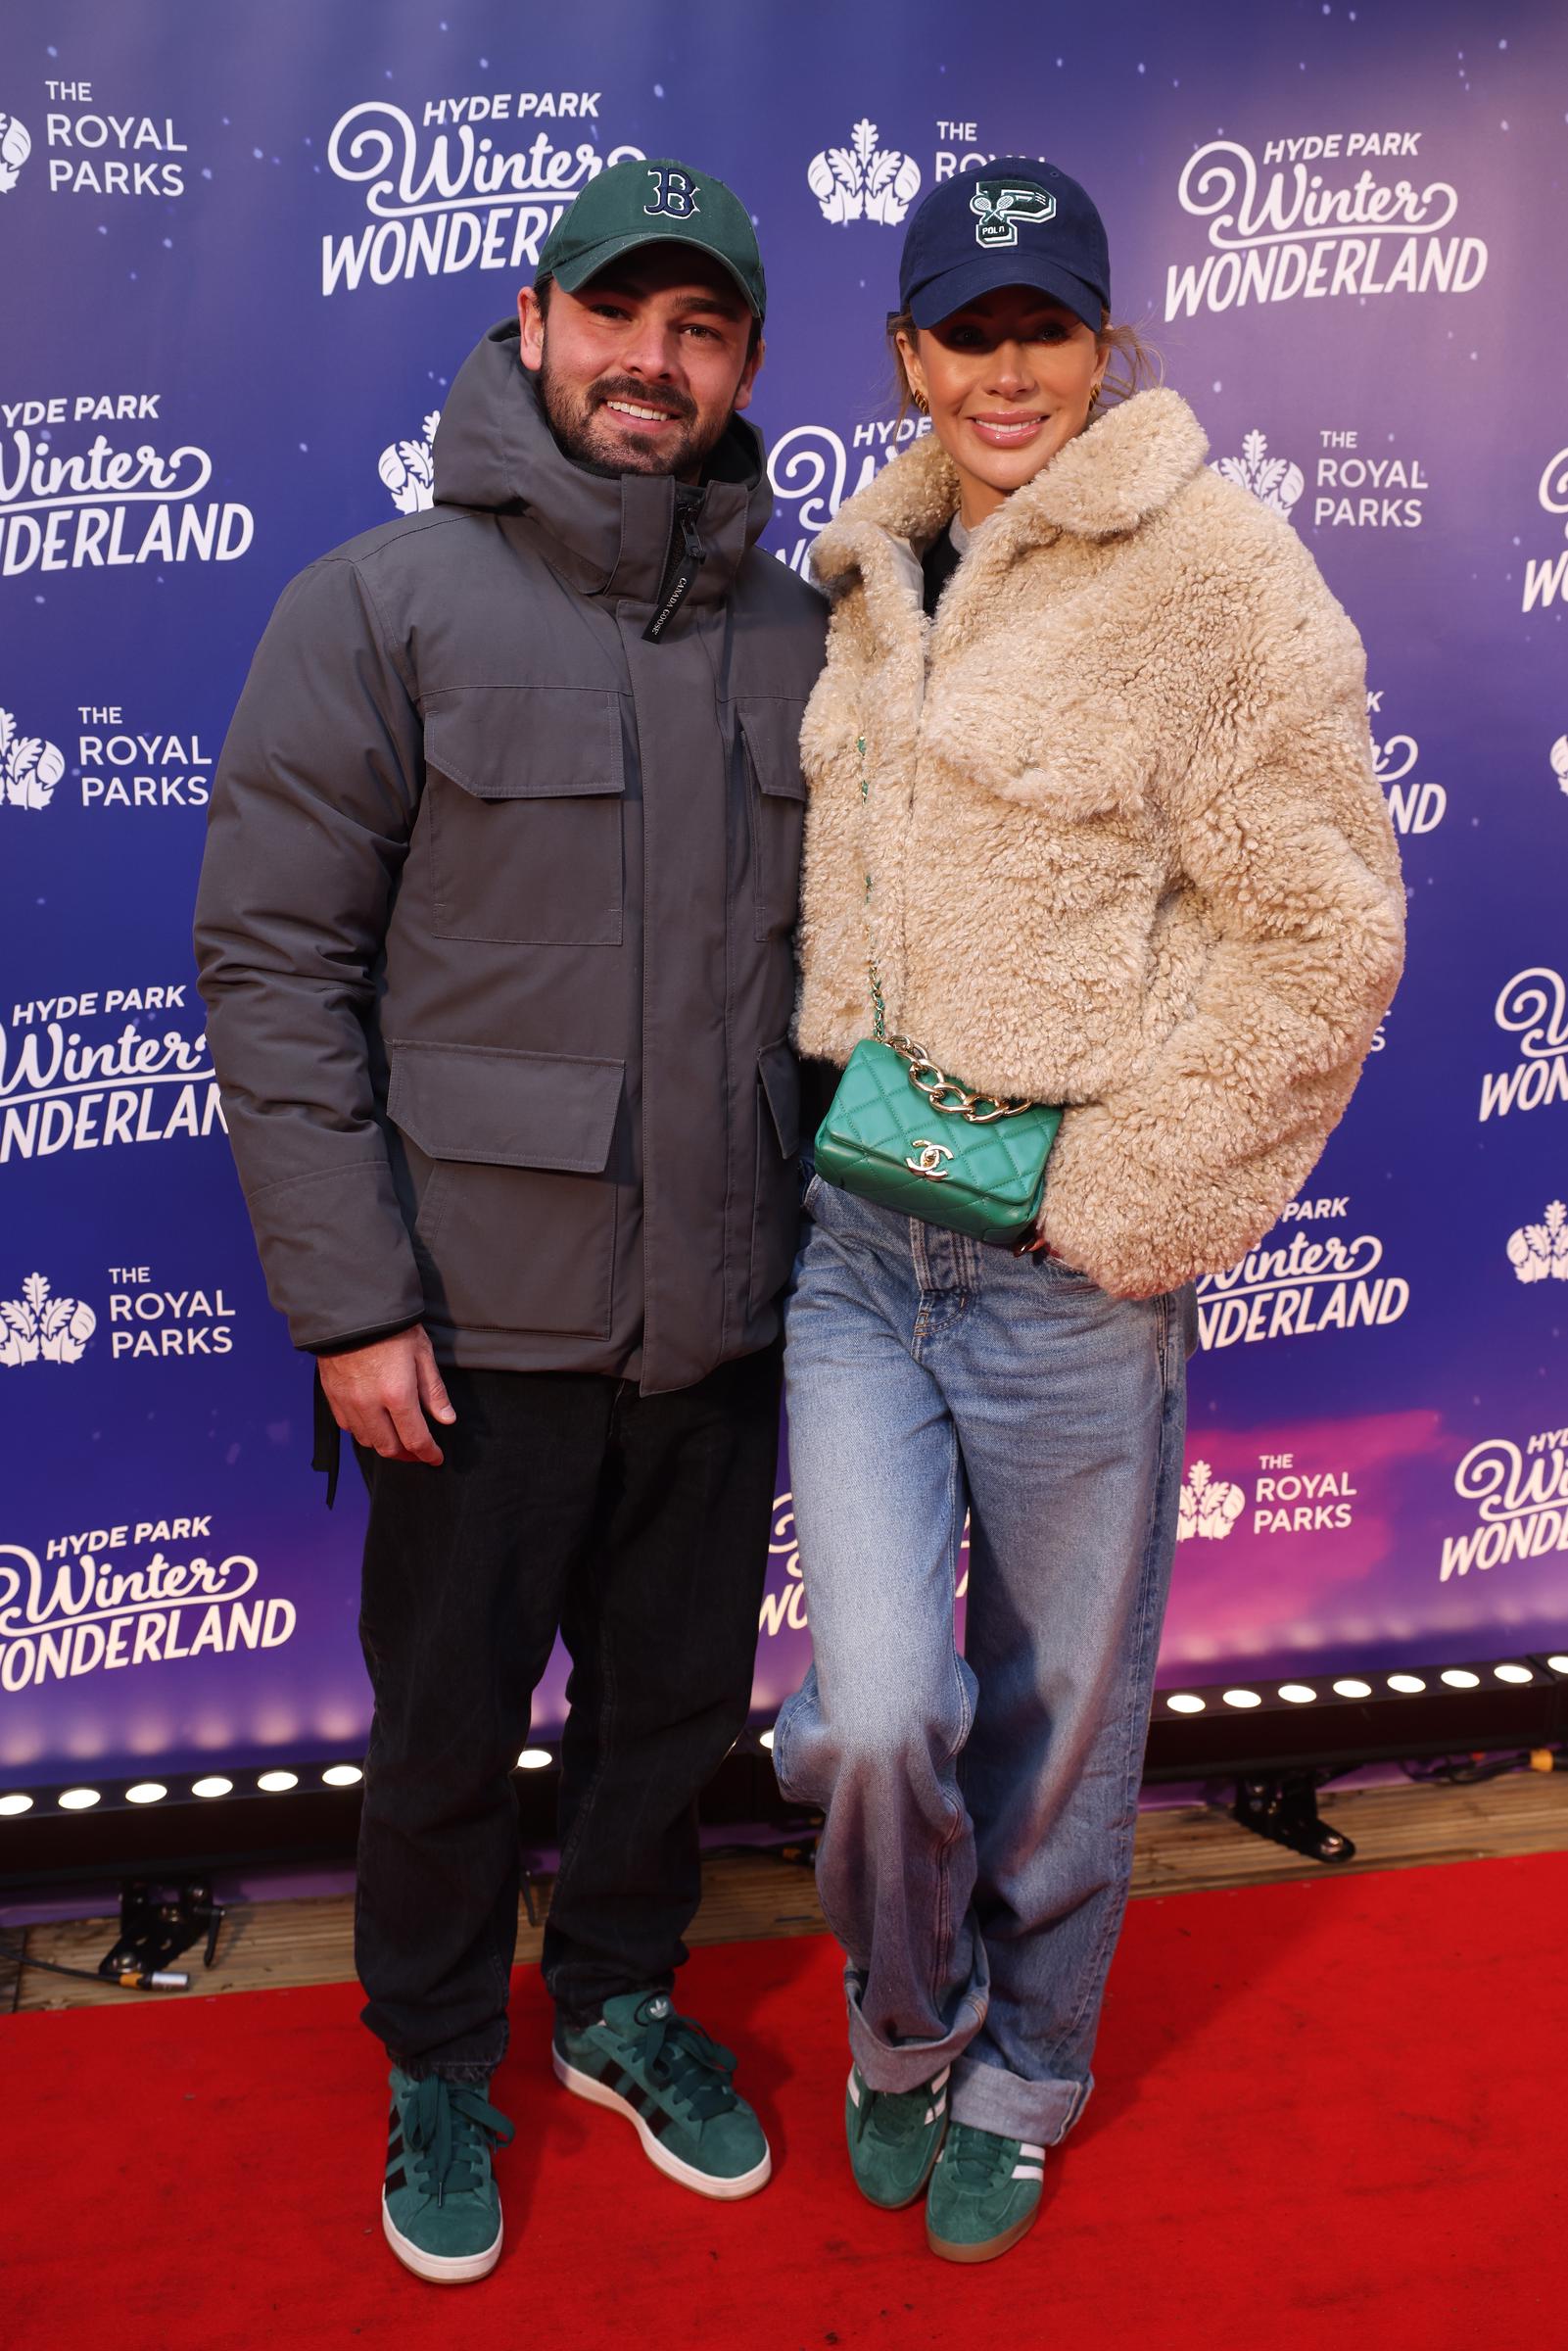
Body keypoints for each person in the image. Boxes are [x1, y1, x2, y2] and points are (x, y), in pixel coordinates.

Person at [194, 155, 825, 2285]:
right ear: (536, 320)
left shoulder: (806, 633)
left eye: (703, 329)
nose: (656, 365)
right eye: (620, 319)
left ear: (744, 364)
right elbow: (274, 968)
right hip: (471, 1330)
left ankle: (624, 2004)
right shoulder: (379, 606)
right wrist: (353, 1304)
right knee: (450, 1732)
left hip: (727, 1322)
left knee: (672, 1711)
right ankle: (442, 2052)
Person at [776, 160, 1404, 2265]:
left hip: (1067, 1275)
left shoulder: (1218, 569)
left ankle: (1027, 2069)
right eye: (971, 330)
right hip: (863, 1251)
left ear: (1105, 342)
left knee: (1058, 1734)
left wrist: (1127, 1202)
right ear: (910, 355)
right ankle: (907, 2015)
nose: (1009, 369)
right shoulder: (868, 563)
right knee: (874, 1710)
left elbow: (1320, 934)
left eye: (1047, 326)